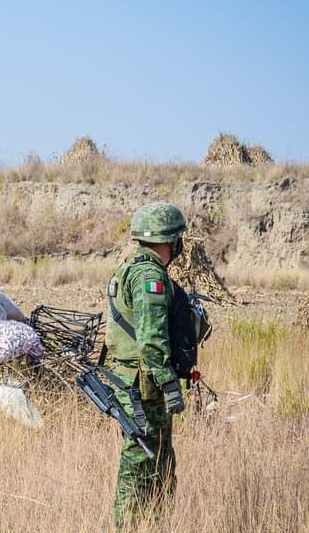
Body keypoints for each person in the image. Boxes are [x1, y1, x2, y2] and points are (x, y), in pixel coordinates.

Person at [104, 202, 188, 528]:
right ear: (172, 240)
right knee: (139, 459)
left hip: (136, 380)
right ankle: (127, 525)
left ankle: (155, 523)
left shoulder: (130, 267)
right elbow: (151, 338)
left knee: (159, 461)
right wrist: (169, 385)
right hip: (144, 385)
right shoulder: (149, 276)